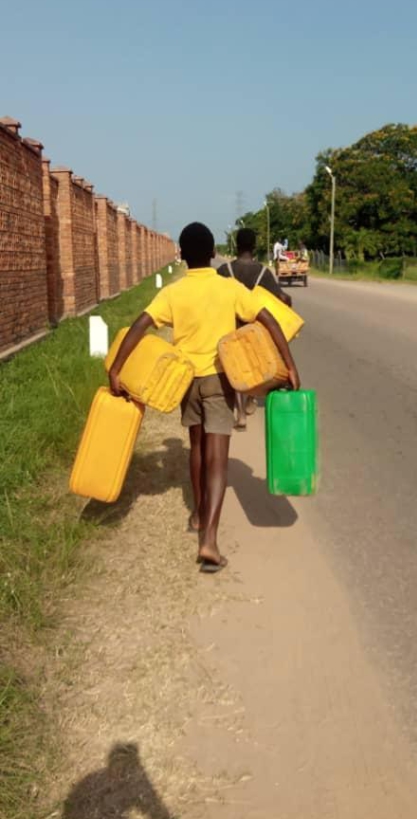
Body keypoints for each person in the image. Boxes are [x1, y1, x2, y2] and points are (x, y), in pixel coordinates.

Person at [108, 222, 300, 573]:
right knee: (218, 457)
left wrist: (116, 368)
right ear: (213, 253)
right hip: (219, 379)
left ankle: (197, 514)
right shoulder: (227, 288)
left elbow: (140, 324)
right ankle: (209, 540)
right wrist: (289, 365)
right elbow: (269, 319)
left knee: (196, 446)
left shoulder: (173, 293)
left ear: (181, 254)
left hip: (186, 381)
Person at [218, 227, 292, 431]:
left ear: (236, 245)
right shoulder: (262, 272)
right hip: (255, 328)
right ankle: (251, 398)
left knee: (237, 367)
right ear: (254, 246)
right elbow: (281, 297)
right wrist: (287, 301)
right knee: (254, 365)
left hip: (230, 326)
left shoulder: (225, 271)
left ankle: (240, 414)